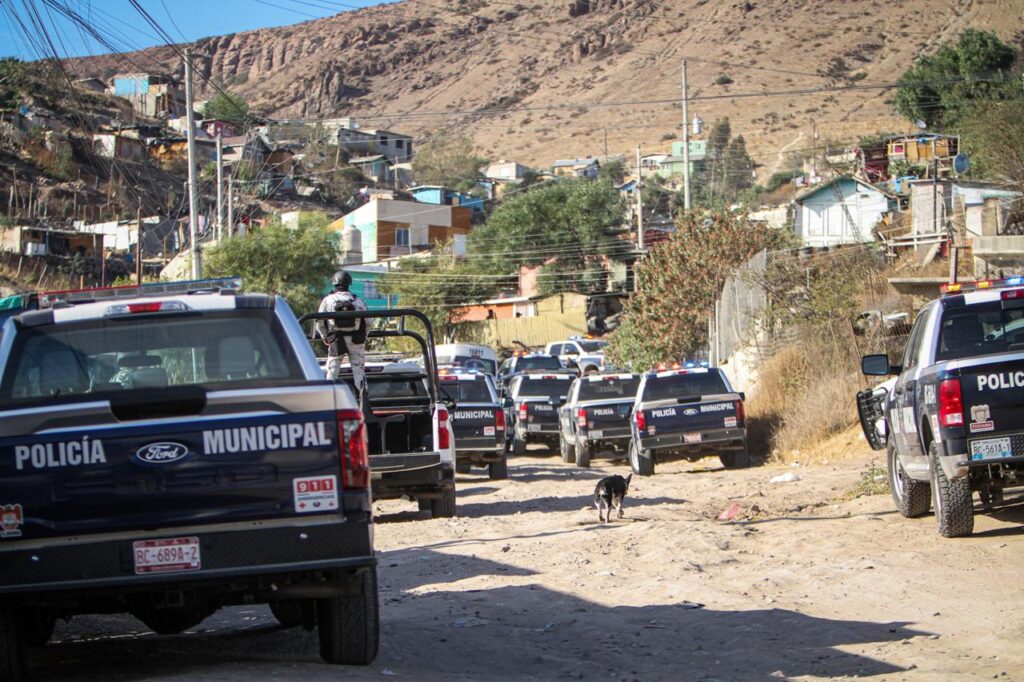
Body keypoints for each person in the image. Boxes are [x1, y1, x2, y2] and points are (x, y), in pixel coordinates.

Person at [316, 270, 368, 392]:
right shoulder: (358, 301)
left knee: (332, 374)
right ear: (349, 283)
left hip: (336, 339)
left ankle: (328, 402)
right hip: (356, 340)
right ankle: (364, 402)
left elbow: (319, 321)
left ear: (334, 283)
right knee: (359, 374)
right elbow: (369, 321)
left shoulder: (327, 300)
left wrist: (325, 337)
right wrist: (364, 336)